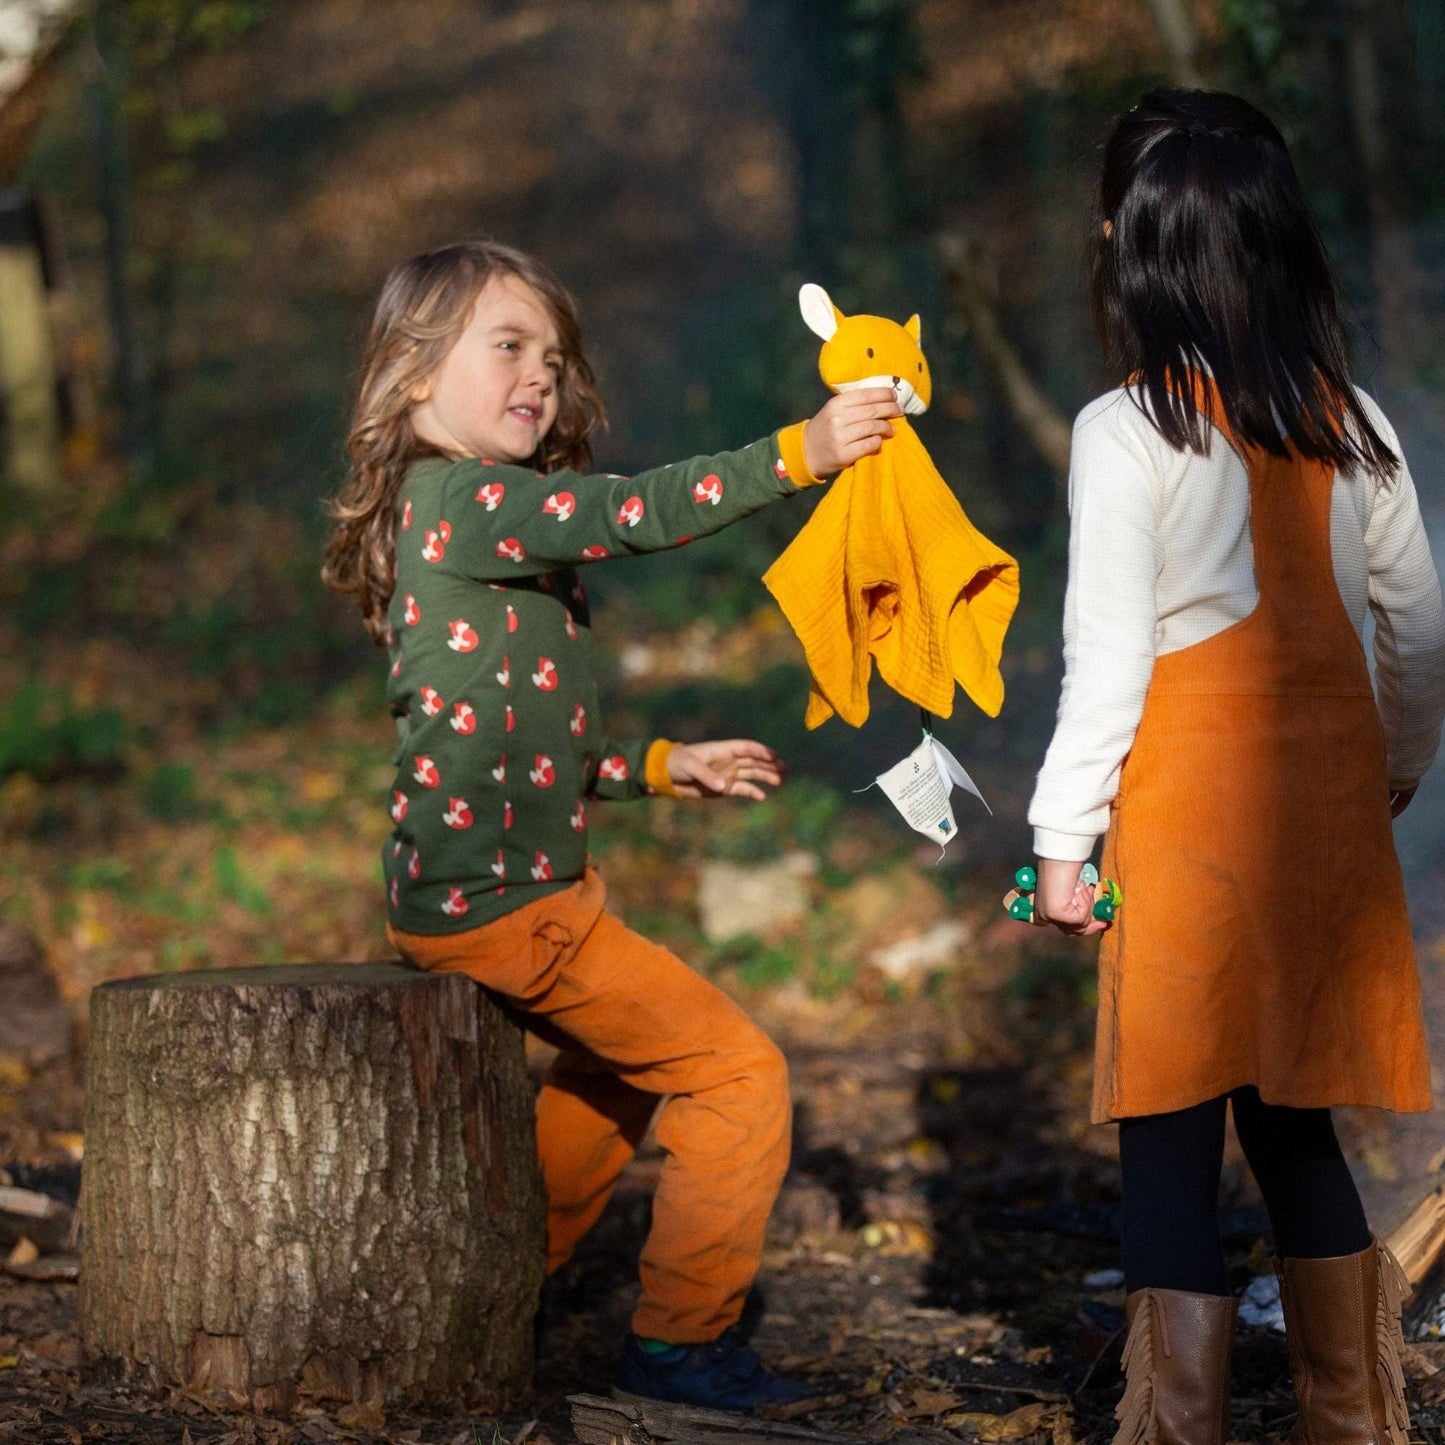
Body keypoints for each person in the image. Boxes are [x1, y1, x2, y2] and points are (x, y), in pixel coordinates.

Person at [323, 240, 900, 1410]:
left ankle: (495, 1279)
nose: (538, 373)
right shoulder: (469, 496)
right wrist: (801, 452)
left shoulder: (462, 519)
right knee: (739, 1074)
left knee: (618, 1072)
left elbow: (503, 733)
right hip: (512, 908)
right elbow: (630, 510)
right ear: (415, 374)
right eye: (506, 347)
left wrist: (654, 764)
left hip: (485, 894)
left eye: (550, 352)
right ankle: (680, 1339)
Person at [1027, 91, 1445, 1445]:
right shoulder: (1352, 420)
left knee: (1166, 1141)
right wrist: (1398, 764)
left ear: (1133, 257)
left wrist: (1058, 843)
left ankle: (1173, 1430)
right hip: (1322, 820)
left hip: (1185, 837)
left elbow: (1109, 667)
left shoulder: (1125, 428)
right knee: (1295, 1129)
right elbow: (1418, 626)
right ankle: (1357, 1420)